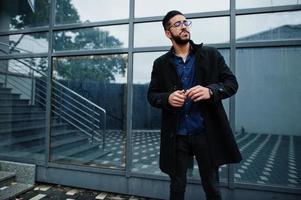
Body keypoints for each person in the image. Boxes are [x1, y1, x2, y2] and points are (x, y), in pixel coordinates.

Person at [147, 10, 242, 200]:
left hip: (205, 134)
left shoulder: (211, 54)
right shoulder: (160, 64)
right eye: (177, 24)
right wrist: (167, 98)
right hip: (177, 136)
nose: (183, 26)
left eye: (185, 22)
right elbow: (152, 95)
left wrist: (211, 91)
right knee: (177, 186)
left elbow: (232, 84)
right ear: (168, 33)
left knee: (212, 187)